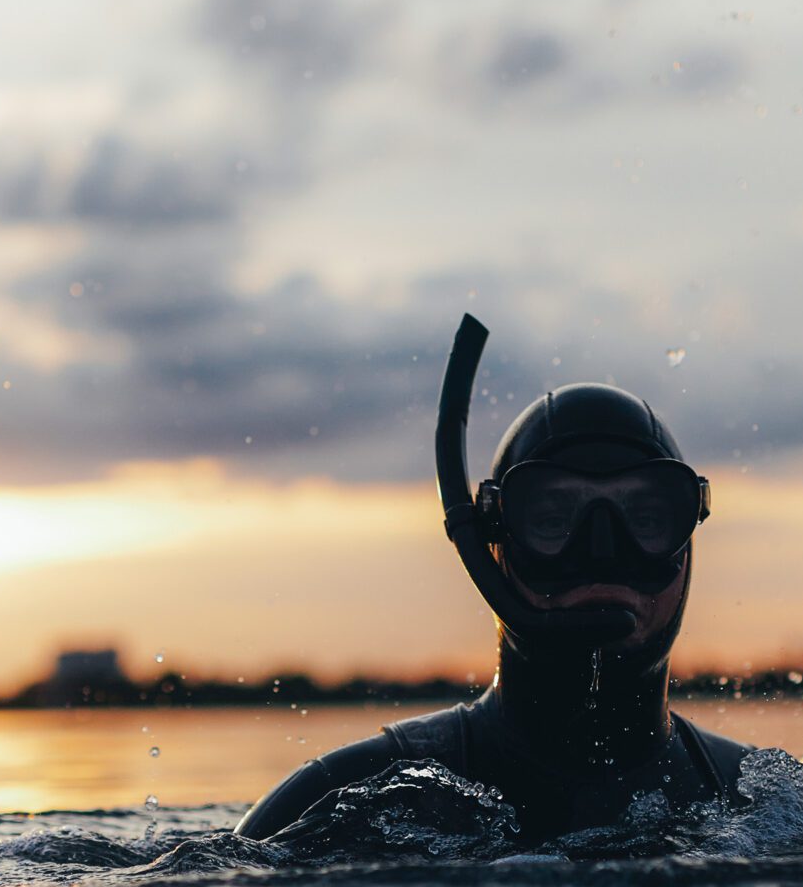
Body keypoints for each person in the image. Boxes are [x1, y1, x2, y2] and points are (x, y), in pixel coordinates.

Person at [235, 313, 752, 843]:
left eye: (645, 519)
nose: (602, 552)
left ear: (688, 538)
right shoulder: (350, 797)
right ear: (490, 546)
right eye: (553, 519)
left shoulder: (756, 798)